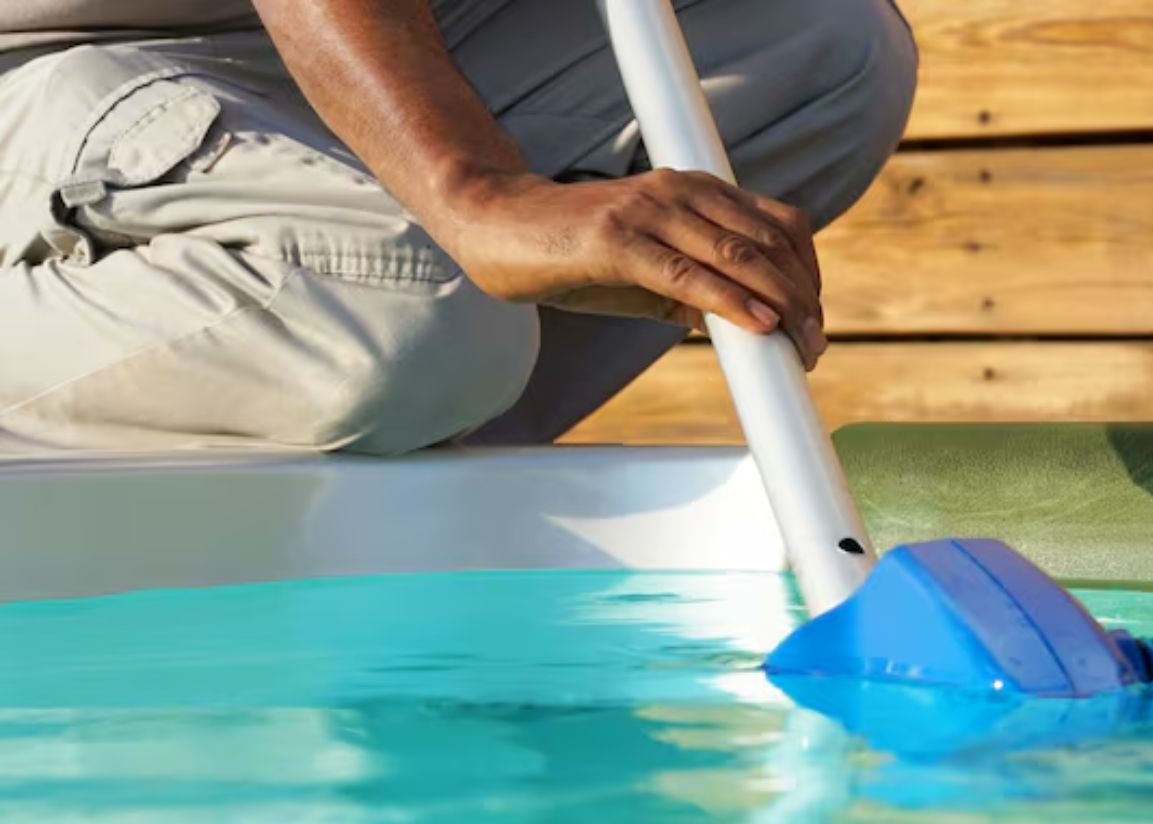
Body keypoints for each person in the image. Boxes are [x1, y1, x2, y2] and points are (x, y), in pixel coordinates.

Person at [0, 0, 916, 452]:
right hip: (46, 67)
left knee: (827, 47)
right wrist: (474, 190)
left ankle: (434, 466)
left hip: (401, 36)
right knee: (407, 306)